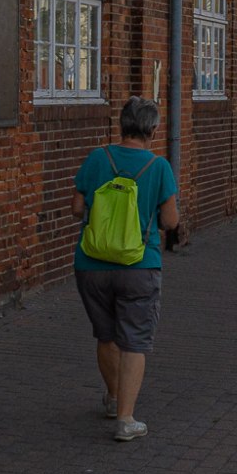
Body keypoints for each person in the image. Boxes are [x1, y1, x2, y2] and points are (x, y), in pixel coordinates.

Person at [72, 98, 180, 442]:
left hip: (92, 264)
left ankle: (113, 398)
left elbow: (77, 208)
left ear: (121, 124)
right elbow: (170, 220)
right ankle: (126, 419)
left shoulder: (96, 158)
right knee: (134, 341)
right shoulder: (158, 167)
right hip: (139, 265)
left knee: (106, 336)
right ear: (152, 129)